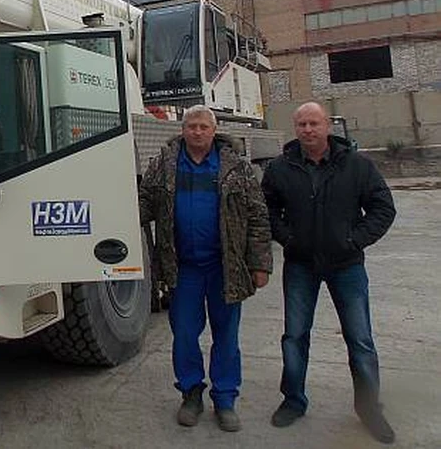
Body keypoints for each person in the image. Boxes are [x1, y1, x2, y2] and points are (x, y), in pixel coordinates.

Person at [262, 102, 397, 444]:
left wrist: (355, 240)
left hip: (346, 266)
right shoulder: (281, 167)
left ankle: (369, 409)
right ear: (295, 128)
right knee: (294, 336)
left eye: (314, 123)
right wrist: (287, 237)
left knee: (360, 340)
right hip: (300, 265)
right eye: (302, 124)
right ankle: (293, 401)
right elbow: (267, 209)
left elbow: (383, 207)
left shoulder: (356, 165)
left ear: (327, 126)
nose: (308, 130)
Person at [139, 105, 272, 432]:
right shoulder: (165, 164)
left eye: (203, 127)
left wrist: (260, 264)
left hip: (224, 266)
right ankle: (191, 393)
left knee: (226, 335)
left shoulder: (236, 167)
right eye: (191, 126)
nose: (197, 132)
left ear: (214, 130)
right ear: (182, 130)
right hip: (183, 269)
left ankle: (225, 398)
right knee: (184, 334)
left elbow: (257, 217)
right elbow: (144, 202)